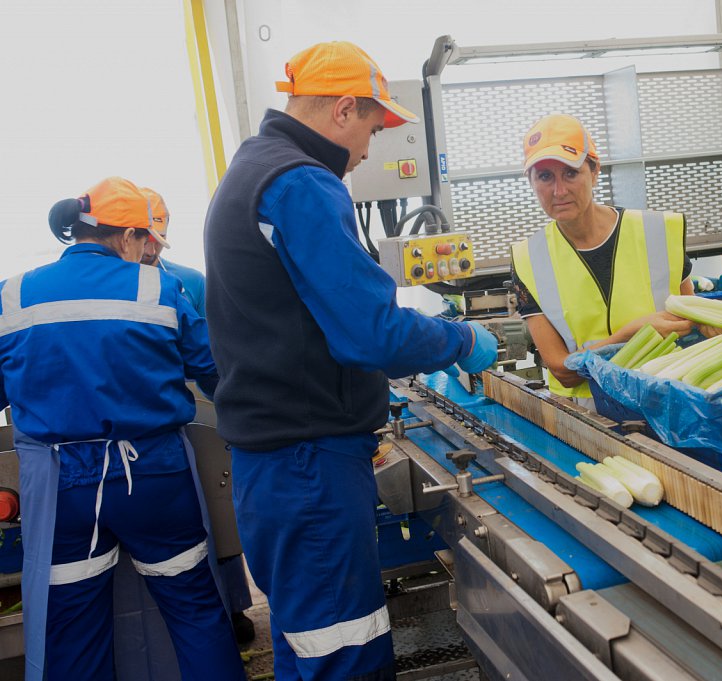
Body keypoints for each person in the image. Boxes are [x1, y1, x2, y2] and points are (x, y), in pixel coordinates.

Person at [204, 41, 498, 681]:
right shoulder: (301, 184)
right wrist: (460, 340)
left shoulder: (253, 168)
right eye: (372, 126)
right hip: (308, 466)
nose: (372, 147)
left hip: (277, 464)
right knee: (343, 654)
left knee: (308, 643)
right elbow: (372, 333)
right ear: (341, 109)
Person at [0, 177, 246, 680]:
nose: (151, 254)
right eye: (149, 243)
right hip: (153, 478)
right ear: (128, 236)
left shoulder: (13, 295)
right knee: (195, 610)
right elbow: (217, 373)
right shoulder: (159, 288)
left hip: (63, 487)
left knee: (73, 628)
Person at [510, 113, 719, 401]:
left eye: (571, 173)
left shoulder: (656, 232)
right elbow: (561, 370)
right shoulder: (529, 259)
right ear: (531, 182)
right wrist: (627, 336)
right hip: (587, 417)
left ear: (594, 172)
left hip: (665, 398)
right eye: (545, 176)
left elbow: (692, 325)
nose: (559, 190)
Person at [139, 186, 256, 643]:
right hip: (155, 425)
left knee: (218, 511)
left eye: (156, 241)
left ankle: (236, 605)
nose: (150, 250)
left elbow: (216, 351)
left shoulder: (187, 280)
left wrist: (234, 408)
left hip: (201, 407)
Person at [139, 187, 207, 315]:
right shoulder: (106, 279)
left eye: (160, 240)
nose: (151, 251)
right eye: (145, 241)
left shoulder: (194, 282)